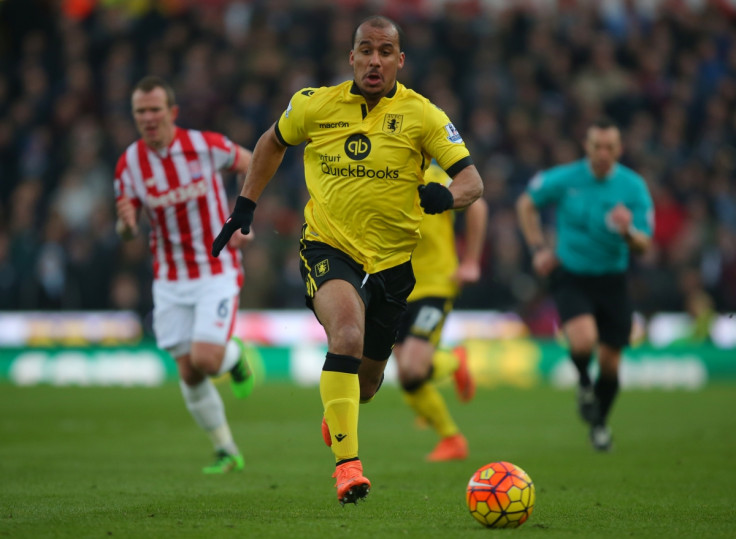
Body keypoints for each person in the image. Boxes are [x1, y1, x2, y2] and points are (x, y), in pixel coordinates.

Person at [212, 15, 483, 504]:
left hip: (394, 267)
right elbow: (272, 142)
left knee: (369, 383)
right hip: (328, 247)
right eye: (365, 50)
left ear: (400, 60)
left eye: (385, 51)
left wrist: (445, 197)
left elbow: (472, 181)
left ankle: (338, 411)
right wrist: (245, 205)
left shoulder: (423, 115)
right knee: (347, 334)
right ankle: (348, 469)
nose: (374, 60)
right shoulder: (314, 104)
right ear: (351, 57)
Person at [114, 76, 256, 474]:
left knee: (207, 359)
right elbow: (127, 227)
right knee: (189, 371)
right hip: (170, 279)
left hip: (216, 266)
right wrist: (125, 226)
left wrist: (243, 217)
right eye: (141, 111)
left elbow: (253, 162)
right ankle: (226, 450)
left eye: (155, 109)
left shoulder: (204, 146)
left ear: (172, 112)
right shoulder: (130, 164)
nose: (148, 117)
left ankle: (235, 357)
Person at [515, 118, 654, 452]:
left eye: (609, 147)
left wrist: (627, 232)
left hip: (612, 279)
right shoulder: (566, 178)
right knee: (582, 342)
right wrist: (538, 249)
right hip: (572, 275)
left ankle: (600, 423)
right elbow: (526, 203)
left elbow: (644, 244)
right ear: (587, 147)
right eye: (596, 146)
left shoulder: (633, 187)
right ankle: (583, 383)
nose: (602, 153)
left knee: (610, 363)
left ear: (619, 150)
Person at [393, 161, 488, 462]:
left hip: (435, 283)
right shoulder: (377, 175)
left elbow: (477, 205)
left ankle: (449, 363)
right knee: (407, 377)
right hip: (394, 286)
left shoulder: (436, 176)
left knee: (412, 368)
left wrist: (471, 261)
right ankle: (451, 439)